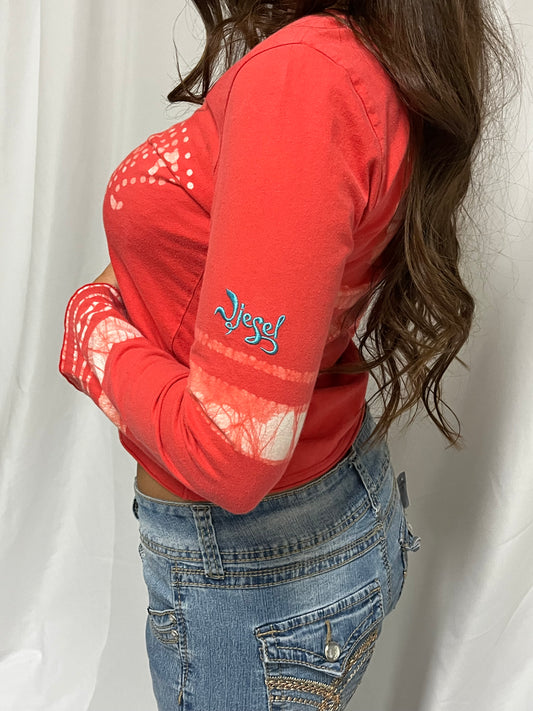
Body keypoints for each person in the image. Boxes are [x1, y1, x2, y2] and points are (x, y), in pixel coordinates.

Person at [58, 1, 516, 709]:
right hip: (315, 526)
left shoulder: (306, 81)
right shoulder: (373, 56)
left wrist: (88, 331)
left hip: (252, 576)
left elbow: (232, 453)